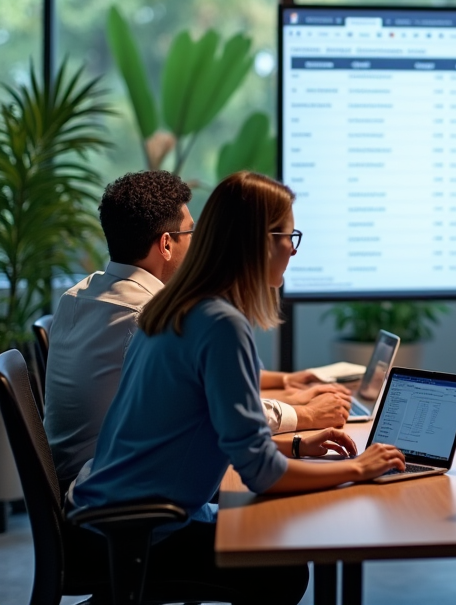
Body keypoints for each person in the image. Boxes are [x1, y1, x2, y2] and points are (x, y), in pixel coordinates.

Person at [68, 171, 405, 605]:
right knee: (281, 570)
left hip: (100, 515)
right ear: (260, 241)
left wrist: (297, 447)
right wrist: (361, 469)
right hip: (133, 532)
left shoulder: (178, 306)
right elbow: (259, 474)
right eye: (290, 235)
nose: (293, 248)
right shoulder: (221, 324)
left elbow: (213, 435)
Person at [45, 170, 351, 490]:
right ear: (166, 243)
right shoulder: (164, 315)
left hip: (101, 486)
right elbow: (249, 453)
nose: (294, 249)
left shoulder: (81, 296)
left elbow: (207, 418)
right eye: (290, 236)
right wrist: (354, 464)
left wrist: (296, 436)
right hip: (132, 507)